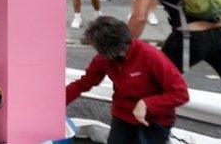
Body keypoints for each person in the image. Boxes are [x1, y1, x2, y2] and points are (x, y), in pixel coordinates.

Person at [67, 16, 188, 144]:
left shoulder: (151, 57)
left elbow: (181, 94)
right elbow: (83, 83)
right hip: (123, 115)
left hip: (155, 120)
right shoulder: (103, 59)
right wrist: (57, 104)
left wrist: (147, 103)